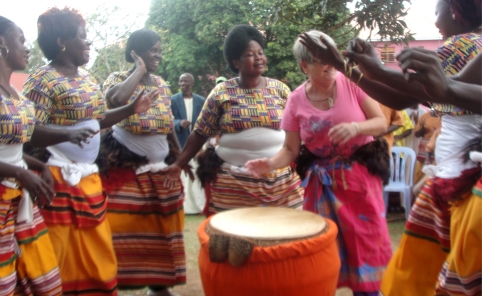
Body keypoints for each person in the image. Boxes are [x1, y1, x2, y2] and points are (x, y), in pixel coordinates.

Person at [298, 0, 482, 294]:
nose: (436, 22)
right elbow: (409, 95)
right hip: (458, 174)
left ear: (456, 11)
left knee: (425, 275)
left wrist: (354, 67)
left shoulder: (461, 45)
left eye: (438, 12)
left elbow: (407, 96)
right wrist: (360, 68)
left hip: (462, 180)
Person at [22, 8, 158, 295]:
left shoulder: (87, 80)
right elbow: (29, 129)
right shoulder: (41, 81)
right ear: (62, 42)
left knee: (97, 249)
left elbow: (98, 120)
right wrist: (68, 133)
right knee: (59, 248)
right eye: (83, 37)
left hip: (89, 179)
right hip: (57, 177)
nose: (89, 43)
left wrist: (132, 109)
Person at [245, 30, 390, 295]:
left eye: (332, 57)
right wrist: (270, 164)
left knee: (366, 251)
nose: (330, 65)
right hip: (321, 186)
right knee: (321, 254)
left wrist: (357, 128)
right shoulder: (296, 100)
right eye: (320, 60)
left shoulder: (352, 82)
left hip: (359, 183)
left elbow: (381, 122)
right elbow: (290, 149)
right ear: (304, 66)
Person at [0, 14, 97, 295]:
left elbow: (14, 146)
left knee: (44, 282)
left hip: (19, 199)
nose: (27, 48)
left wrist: (39, 165)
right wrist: (18, 172)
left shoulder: (16, 96)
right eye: (20, 40)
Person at [162, 24, 304, 216]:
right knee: (235, 240)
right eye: (250, 54)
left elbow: (297, 131)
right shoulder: (221, 92)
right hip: (233, 186)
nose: (258, 58)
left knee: (282, 237)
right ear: (235, 62)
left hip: (280, 183)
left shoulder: (280, 89)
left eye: (260, 52)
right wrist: (178, 164)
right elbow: (200, 133)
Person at [99, 28, 185, 295]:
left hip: (161, 173)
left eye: (160, 50)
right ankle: (120, 283)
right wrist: (138, 69)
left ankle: (158, 288)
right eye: (152, 50)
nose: (158, 55)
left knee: (162, 236)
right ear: (136, 52)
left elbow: (168, 123)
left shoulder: (161, 83)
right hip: (127, 172)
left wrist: (180, 156)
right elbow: (117, 100)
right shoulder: (118, 78)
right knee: (126, 231)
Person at [171, 73, 206, 214]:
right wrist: (179, 122)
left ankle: (199, 206)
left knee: (197, 174)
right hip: (179, 143)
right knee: (183, 176)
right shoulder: (173, 100)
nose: (182, 84)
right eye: (180, 81)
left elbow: (206, 121)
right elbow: (167, 121)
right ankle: (183, 206)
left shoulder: (200, 100)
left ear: (192, 84)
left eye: (185, 81)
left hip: (197, 144)